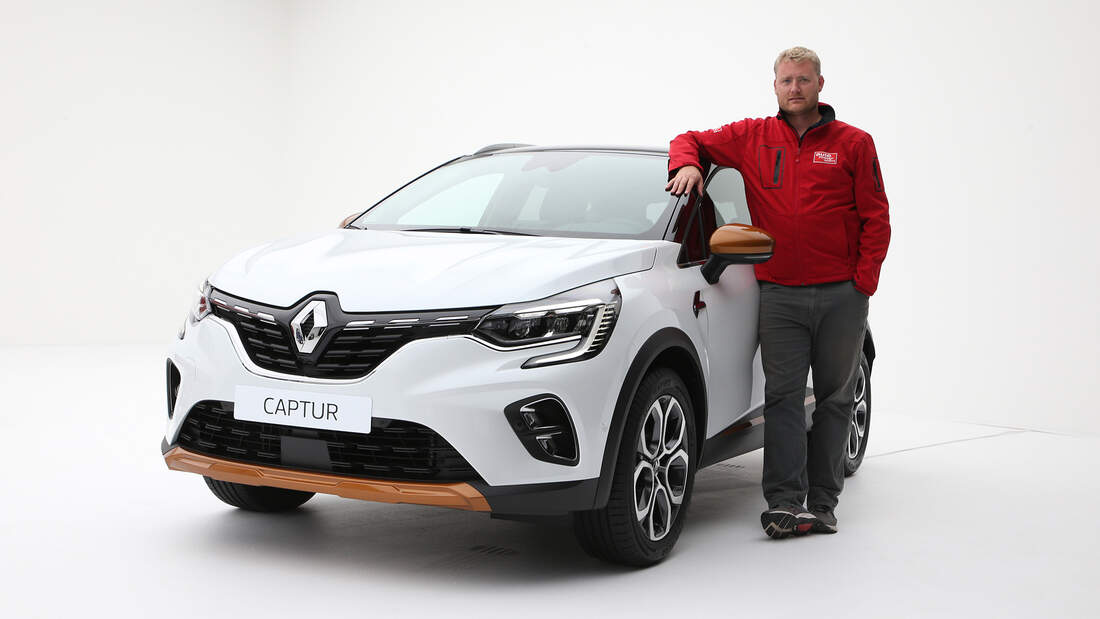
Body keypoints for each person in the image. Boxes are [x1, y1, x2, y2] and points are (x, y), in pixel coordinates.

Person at [665, 46, 890, 538]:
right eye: (786, 80)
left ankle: (824, 502)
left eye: (803, 80)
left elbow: (877, 218)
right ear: (774, 86)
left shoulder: (854, 143)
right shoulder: (752, 137)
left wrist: (862, 284)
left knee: (834, 399)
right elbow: (689, 139)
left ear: (820, 85)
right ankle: (785, 503)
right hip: (781, 294)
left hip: (841, 295)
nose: (794, 88)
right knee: (783, 398)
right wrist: (687, 164)